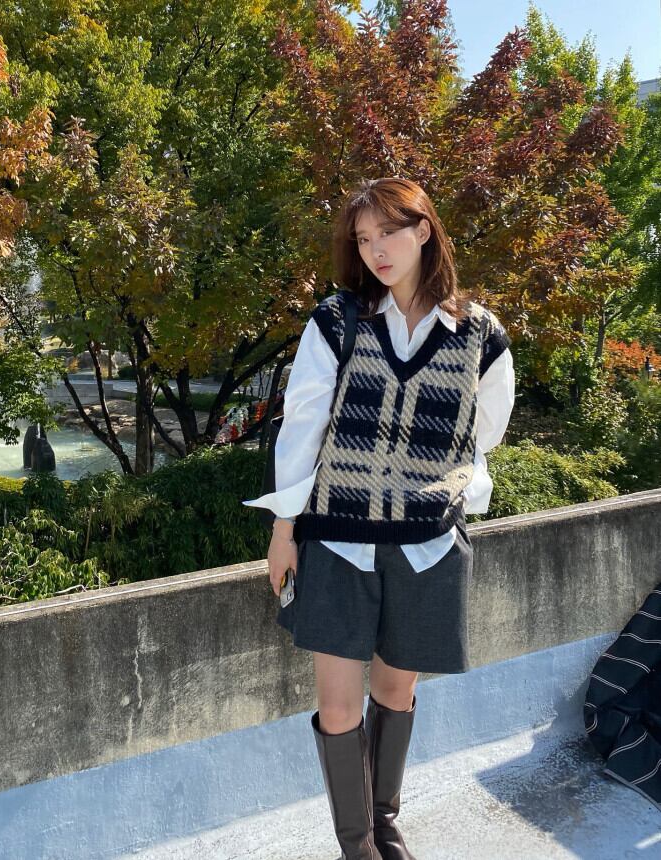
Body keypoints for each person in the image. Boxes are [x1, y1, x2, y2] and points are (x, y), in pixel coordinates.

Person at [242, 176, 515, 860]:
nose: (375, 251)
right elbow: (301, 431)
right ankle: (358, 846)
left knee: (396, 691)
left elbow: (484, 434)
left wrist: (443, 495)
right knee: (339, 708)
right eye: (363, 239)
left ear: (423, 230)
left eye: (388, 232)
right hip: (337, 541)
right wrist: (283, 531)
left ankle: (386, 825)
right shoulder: (338, 322)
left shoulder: (481, 334)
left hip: (426, 546)